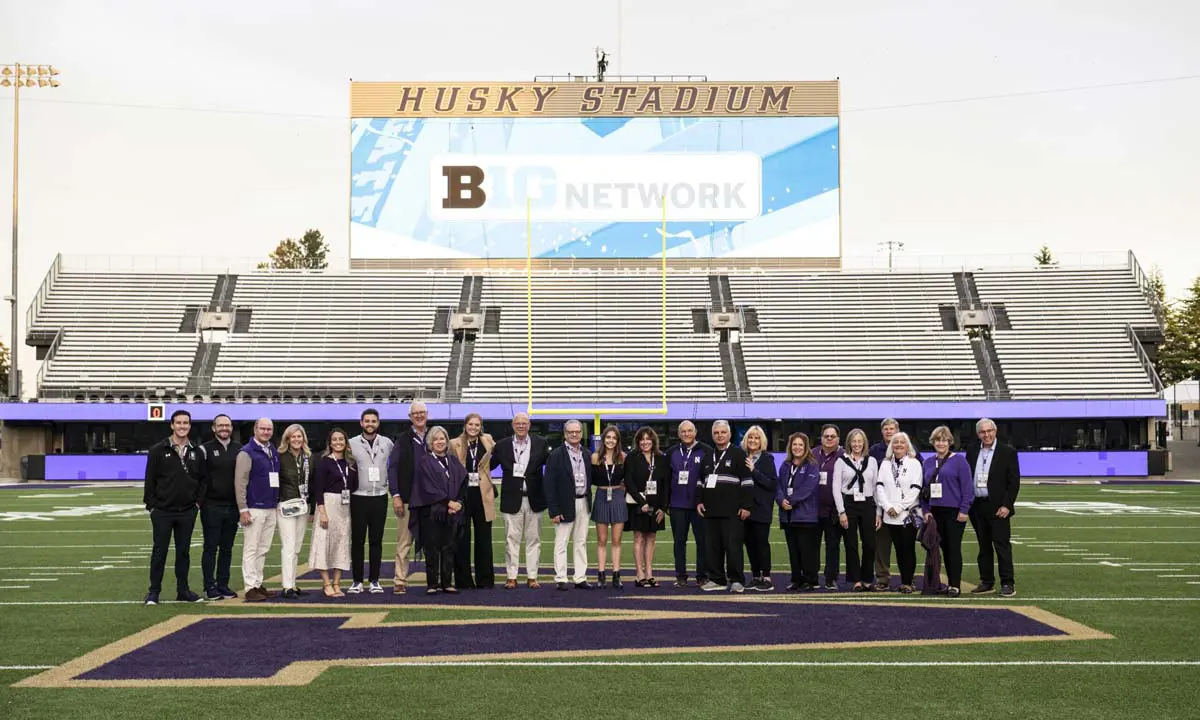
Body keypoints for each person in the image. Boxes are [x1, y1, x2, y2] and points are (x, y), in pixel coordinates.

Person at [143, 409, 205, 605]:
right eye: (178, 423)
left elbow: (203, 480)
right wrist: (152, 506)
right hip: (162, 511)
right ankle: (153, 592)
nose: (182, 426)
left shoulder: (196, 451)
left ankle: (183, 590)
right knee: (159, 552)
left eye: (186, 423)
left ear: (190, 425)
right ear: (172, 425)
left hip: (187, 511)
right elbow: (150, 480)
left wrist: (197, 503)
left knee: (183, 552)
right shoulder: (158, 450)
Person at [491, 412, 549, 589]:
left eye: (524, 423)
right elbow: (488, 465)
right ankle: (511, 576)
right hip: (511, 499)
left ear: (529, 425)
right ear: (512, 425)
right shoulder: (501, 446)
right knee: (511, 539)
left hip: (535, 499)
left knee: (534, 539)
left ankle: (532, 576)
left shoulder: (541, 443)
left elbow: (552, 466)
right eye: (518, 423)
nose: (521, 426)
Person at [409, 426, 468, 595]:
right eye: (436, 439)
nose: (440, 442)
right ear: (430, 443)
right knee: (432, 548)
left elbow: (463, 482)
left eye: (442, 438)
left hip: (452, 513)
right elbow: (428, 488)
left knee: (449, 547)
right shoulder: (424, 462)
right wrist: (448, 503)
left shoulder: (453, 460)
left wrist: (457, 503)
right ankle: (432, 584)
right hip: (432, 513)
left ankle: (447, 583)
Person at [966, 418, 1021, 597]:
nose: (987, 434)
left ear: (995, 431)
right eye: (983, 432)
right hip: (977, 506)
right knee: (983, 547)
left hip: (998, 507)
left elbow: (1013, 482)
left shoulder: (1007, 451)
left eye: (990, 431)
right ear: (978, 434)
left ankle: (1007, 583)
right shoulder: (973, 450)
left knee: (1001, 546)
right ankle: (987, 581)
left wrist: (1007, 505)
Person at [697, 420, 752, 593]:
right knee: (713, 547)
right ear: (712, 435)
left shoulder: (738, 454)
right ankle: (717, 579)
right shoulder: (707, 455)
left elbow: (747, 481)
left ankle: (736, 580)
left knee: (733, 546)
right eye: (716, 433)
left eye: (723, 432)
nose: (720, 435)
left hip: (732, 510)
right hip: (711, 510)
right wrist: (699, 501)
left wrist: (746, 505)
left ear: (729, 434)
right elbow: (700, 482)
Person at [920, 426, 974, 597]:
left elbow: (967, 488)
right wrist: (925, 510)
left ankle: (954, 585)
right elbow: (923, 489)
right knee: (936, 549)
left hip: (953, 511)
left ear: (950, 442)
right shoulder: (928, 462)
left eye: (944, 440)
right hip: (934, 512)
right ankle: (936, 583)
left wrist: (964, 510)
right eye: (938, 440)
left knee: (953, 549)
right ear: (933, 442)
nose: (941, 443)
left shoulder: (959, 461)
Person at [870, 418, 923, 591]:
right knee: (884, 548)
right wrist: (887, 507)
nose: (898, 445)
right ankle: (884, 579)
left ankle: (907, 581)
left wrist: (899, 507)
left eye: (902, 442)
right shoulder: (884, 462)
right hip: (887, 514)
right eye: (895, 443)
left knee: (906, 549)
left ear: (907, 445)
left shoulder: (915, 462)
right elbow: (879, 486)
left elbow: (916, 488)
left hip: (907, 514)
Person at [544, 419, 595, 591]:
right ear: (565, 434)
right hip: (565, 503)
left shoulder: (587, 454)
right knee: (561, 542)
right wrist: (554, 510)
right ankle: (561, 577)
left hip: (583, 501)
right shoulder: (556, 455)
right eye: (571, 432)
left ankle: (580, 577)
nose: (574, 434)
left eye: (577, 431)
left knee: (581, 541)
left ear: (581, 433)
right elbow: (549, 485)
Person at [235, 417, 281, 602]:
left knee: (263, 548)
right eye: (262, 429)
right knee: (251, 549)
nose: (266, 432)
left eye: (269, 429)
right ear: (255, 429)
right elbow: (240, 483)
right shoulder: (246, 452)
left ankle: (258, 583)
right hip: (254, 507)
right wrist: (243, 509)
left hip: (271, 507)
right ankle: (249, 587)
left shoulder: (272, 450)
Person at [349, 408, 394, 595]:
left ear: (378, 423)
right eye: (366, 421)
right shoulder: (350, 443)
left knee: (376, 541)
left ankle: (374, 580)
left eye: (373, 421)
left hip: (380, 497)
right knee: (358, 541)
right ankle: (357, 581)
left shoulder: (388, 443)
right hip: (358, 497)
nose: (370, 424)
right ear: (361, 423)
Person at [450, 413, 496, 589]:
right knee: (461, 538)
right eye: (471, 424)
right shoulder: (455, 443)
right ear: (465, 425)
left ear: (481, 426)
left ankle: (485, 580)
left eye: (477, 425)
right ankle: (463, 580)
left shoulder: (488, 440)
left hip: (483, 494)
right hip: (462, 494)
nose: (474, 427)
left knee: (484, 538)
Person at [198, 414, 242, 601]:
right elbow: (198, 477)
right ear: (214, 428)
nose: (224, 428)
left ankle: (223, 584)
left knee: (227, 548)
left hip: (233, 506)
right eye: (220, 425)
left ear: (232, 428)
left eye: (228, 425)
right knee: (210, 547)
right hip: (211, 506)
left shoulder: (240, 449)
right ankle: (210, 586)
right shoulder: (204, 449)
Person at [310, 428, 356, 598]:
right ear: (330, 442)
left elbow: (354, 486)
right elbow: (318, 489)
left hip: (344, 507)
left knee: (341, 544)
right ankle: (326, 583)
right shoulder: (324, 462)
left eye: (341, 439)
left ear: (346, 442)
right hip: (328, 505)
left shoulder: (351, 463)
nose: (338, 442)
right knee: (323, 543)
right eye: (335, 439)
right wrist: (322, 511)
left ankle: (337, 582)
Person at [834, 428, 881, 592]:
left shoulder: (872, 461)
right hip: (849, 504)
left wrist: (879, 512)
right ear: (849, 443)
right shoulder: (841, 461)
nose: (857, 444)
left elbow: (876, 488)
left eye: (860, 441)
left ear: (864, 443)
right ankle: (856, 580)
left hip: (868, 504)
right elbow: (836, 488)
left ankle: (868, 578)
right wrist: (841, 512)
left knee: (869, 543)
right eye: (854, 441)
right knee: (851, 543)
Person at [666, 421, 711, 587]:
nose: (686, 434)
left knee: (702, 541)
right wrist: (666, 503)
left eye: (689, 431)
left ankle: (702, 575)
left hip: (699, 505)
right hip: (677, 505)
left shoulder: (706, 451)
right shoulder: (671, 452)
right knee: (679, 542)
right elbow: (666, 479)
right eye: (683, 431)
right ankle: (681, 575)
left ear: (695, 432)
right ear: (679, 434)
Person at [387, 403, 426, 594]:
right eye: (415, 413)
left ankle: (436, 579)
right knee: (404, 541)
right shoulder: (402, 440)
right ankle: (400, 579)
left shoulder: (434, 436)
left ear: (427, 415)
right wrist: (396, 495)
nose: (419, 416)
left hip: (431, 500)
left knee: (435, 541)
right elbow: (392, 468)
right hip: (409, 498)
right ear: (410, 416)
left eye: (422, 413)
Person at [776, 432, 820, 591]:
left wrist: (791, 501)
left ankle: (810, 579)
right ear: (790, 446)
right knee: (793, 551)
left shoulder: (812, 464)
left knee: (807, 550)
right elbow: (778, 486)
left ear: (806, 446)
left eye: (800, 444)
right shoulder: (785, 465)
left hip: (806, 515)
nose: (797, 447)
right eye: (794, 444)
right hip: (788, 516)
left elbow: (808, 488)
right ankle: (796, 579)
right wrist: (781, 500)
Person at [626, 426, 669, 588]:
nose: (645, 442)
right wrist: (642, 502)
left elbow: (666, 484)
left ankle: (650, 573)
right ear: (638, 441)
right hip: (638, 503)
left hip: (656, 504)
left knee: (651, 537)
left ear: (653, 440)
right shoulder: (632, 457)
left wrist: (663, 508)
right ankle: (639, 574)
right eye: (642, 439)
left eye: (648, 439)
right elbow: (629, 482)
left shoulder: (661, 458)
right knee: (639, 537)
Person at [276, 424, 313, 598]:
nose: (296, 440)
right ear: (287, 439)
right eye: (293, 437)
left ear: (304, 438)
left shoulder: (308, 457)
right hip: (286, 505)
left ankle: (293, 583)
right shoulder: (280, 456)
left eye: (299, 436)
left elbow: (312, 482)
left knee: (297, 547)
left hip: (303, 505)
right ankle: (286, 586)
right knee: (289, 546)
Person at [741, 425, 778, 592]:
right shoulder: (742, 457)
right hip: (745, 508)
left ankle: (767, 577)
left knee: (762, 543)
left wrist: (754, 471)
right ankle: (755, 576)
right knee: (749, 543)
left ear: (761, 440)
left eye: (756, 438)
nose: (753, 441)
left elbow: (771, 484)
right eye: (750, 437)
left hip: (761, 508)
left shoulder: (767, 459)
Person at [591, 425, 628, 589]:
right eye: (608, 437)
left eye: (614, 438)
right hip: (601, 496)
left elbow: (628, 479)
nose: (611, 440)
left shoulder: (623, 457)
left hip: (618, 497)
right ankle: (601, 575)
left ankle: (616, 575)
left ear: (618, 440)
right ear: (603, 439)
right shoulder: (595, 458)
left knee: (616, 540)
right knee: (601, 540)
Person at [813, 424, 844, 590]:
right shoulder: (812, 453)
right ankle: (812, 576)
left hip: (833, 510)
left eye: (833, 436)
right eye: (826, 436)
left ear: (838, 438)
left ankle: (831, 578)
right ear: (821, 437)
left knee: (832, 546)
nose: (829, 439)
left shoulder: (844, 455)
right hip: (813, 509)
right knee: (812, 546)